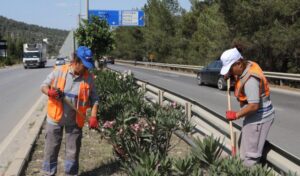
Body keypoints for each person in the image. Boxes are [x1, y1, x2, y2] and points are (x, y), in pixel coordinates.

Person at [41, 46, 99, 175]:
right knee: (51, 150)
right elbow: (43, 86)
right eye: (84, 65)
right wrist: (50, 92)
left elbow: (95, 99)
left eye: (87, 65)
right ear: (75, 61)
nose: (86, 68)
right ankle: (48, 173)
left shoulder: (88, 78)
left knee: (73, 152)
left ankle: (71, 173)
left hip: (75, 121)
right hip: (55, 119)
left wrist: (93, 116)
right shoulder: (60, 71)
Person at [220, 47, 275, 167]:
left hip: (259, 118)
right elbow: (240, 77)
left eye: (230, 69)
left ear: (239, 64)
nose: (230, 72)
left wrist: (236, 115)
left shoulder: (251, 80)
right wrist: (230, 75)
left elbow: (254, 106)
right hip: (252, 116)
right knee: (243, 149)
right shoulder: (246, 65)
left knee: (250, 157)